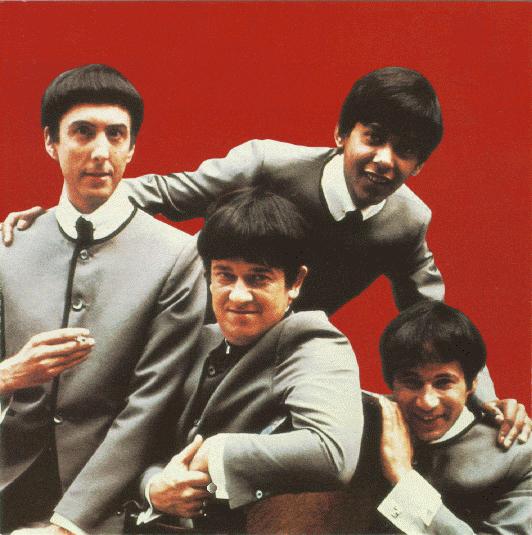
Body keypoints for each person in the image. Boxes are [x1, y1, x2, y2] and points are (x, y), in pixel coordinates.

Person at [4, 65, 528, 445]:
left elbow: (431, 316)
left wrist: (484, 396)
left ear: (420, 165)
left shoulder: (407, 220)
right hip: (185, 331)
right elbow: (162, 192)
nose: (384, 160)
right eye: (373, 138)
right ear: (342, 134)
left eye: (406, 151)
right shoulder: (267, 163)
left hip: (275, 359)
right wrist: (59, 217)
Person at [0, 64, 206, 534]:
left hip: (109, 504)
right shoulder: (9, 246)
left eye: (116, 135)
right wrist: (10, 373)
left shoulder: (177, 257)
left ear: (132, 148)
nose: (100, 152)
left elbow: (149, 406)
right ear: (50, 142)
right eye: (82, 132)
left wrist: (66, 525)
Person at [133, 187, 363, 532]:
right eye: (225, 275)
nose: (238, 296)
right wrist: (154, 487)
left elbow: (333, 453)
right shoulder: (196, 338)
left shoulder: (313, 341)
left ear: (295, 283)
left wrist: (217, 451)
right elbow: (141, 444)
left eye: (258, 278)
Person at [350, 300, 531, 534]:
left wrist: (404, 479)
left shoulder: (521, 457)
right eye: (411, 382)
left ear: (472, 384)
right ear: (391, 383)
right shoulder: (360, 420)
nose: (426, 402)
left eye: (443, 382)